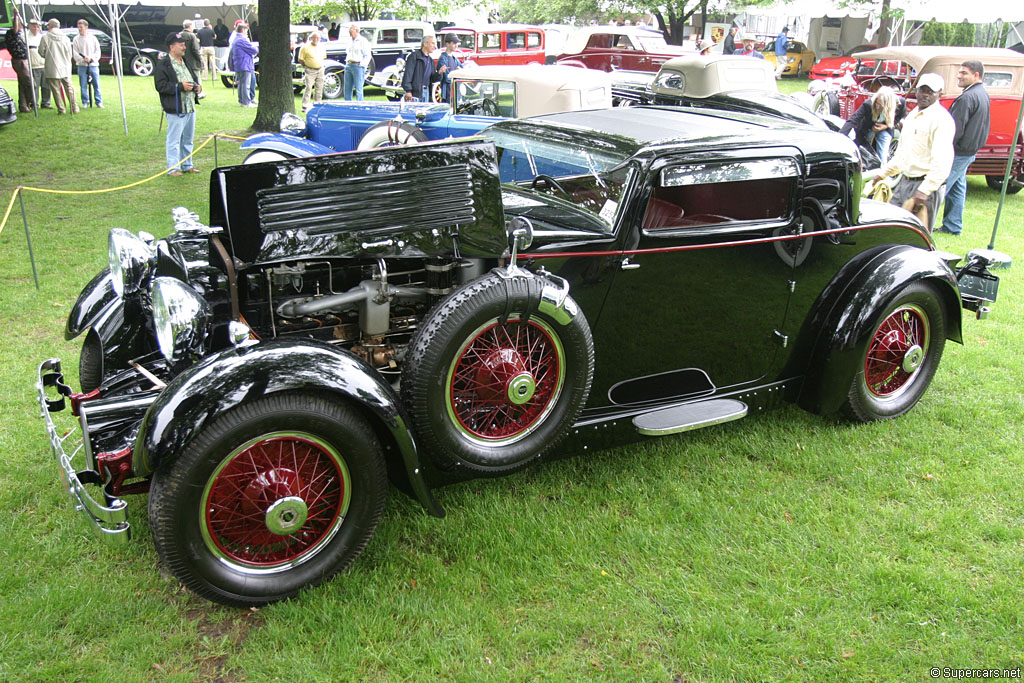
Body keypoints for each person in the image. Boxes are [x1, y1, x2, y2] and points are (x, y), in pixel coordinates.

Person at [871, 73, 954, 231]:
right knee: (891, 228)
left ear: (940, 94)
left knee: (917, 237)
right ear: (916, 91)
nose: (925, 95)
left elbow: (942, 161)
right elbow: (902, 153)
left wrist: (924, 191)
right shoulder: (913, 116)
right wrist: (883, 173)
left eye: (930, 91)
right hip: (904, 182)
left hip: (924, 188)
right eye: (922, 90)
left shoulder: (942, 120)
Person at [938, 60, 991, 236]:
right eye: (959, 72)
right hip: (969, 150)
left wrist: (943, 147)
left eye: (964, 73)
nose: (959, 76)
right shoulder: (982, 93)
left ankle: (923, 225)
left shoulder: (968, 97)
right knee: (957, 189)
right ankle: (952, 226)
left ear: (976, 75)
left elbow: (955, 128)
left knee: (939, 188)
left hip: (959, 151)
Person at [155, 31, 201, 176]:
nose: (184, 48)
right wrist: (180, 87)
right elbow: (160, 86)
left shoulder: (185, 61)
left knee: (188, 139)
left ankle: (187, 165)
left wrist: (197, 86)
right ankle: (173, 168)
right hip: (175, 108)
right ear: (171, 47)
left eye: (184, 45)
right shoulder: (164, 64)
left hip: (190, 107)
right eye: (181, 45)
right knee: (174, 140)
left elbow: (191, 77)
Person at [840, 86, 906, 164]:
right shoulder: (868, 104)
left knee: (882, 156)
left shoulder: (900, 103)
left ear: (888, 105)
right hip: (868, 129)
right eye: (877, 103)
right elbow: (853, 120)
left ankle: (882, 170)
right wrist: (840, 136)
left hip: (885, 129)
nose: (878, 107)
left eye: (881, 105)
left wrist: (886, 126)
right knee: (864, 153)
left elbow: (900, 116)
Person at [38, 19, 79, 115]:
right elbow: (70, 53)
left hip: (52, 66)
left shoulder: (45, 37)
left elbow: (40, 52)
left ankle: (61, 109)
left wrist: (48, 56)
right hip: (65, 66)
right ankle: (75, 107)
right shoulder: (66, 38)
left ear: (50, 26)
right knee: (69, 87)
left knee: (55, 89)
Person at [4, 11, 34, 113]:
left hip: (23, 60)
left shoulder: (19, 35)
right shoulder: (12, 33)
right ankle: (32, 101)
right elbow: (15, 29)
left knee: (22, 84)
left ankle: (23, 106)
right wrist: (16, 15)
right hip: (19, 61)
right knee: (29, 82)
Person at [71, 19, 102, 108]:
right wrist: (83, 59)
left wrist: (91, 58)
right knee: (83, 84)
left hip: (93, 65)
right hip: (82, 65)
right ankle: (85, 101)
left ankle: (98, 101)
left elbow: (97, 51)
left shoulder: (93, 38)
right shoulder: (76, 39)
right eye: (78, 27)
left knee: (96, 83)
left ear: (86, 27)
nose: (80, 29)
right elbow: (75, 53)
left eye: (81, 27)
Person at [402, 35, 439, 102]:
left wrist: (439, 73)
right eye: (433, 43)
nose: (435, 46)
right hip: (415, 93)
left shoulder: (430, 60)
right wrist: (408, 90)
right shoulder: (414, 57)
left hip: (426, 92)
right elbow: (408, 74)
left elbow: (433, 78)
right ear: (425, 44)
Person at [229, 22, 258, 107]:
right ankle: (246, 102)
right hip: (245, 64)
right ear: (243, 30)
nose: (247, 32)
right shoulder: (242, 40)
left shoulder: (236, 39)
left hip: (239, 64)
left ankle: (242, 100)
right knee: (246, 84)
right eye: (246, 30)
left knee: (241, 84)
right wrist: (256, 47)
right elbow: (253, 50)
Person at [27, 18, 52, 109]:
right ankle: (34, 103)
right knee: (35, 86)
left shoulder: (42, 37)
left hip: (44, 65)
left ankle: (46, 103)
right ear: (30, 26)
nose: (36, 28)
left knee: (46, 85)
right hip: (33, 66)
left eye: (37, 26)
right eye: (34, 26)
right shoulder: (25, 36)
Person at [299, 31, 326, 111]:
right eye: (315, 37)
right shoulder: (305, 47)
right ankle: (305, 105)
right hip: (310, 70)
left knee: (319, 87)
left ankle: (317, 103)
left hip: (320, 69)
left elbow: (323, 57)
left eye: (318, 38)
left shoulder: (321, 47)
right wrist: (306, 66)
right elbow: (301, 59)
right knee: (308, 87)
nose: (316, 39)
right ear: (311, 38)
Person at [343, 24, 371, 100]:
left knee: (358, 88)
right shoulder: (349, 41)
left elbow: (368, 55)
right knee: (347, 88)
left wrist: (362, 65)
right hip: (349, 65)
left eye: (351, 30)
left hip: (358, 66)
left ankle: (359, 105)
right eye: (349, 30)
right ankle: (347, 105)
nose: (349, 31)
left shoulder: (363, 41)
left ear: (357, 31)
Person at [180, 20, 203, 97]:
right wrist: (200, 60)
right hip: (192, 62)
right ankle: (197, 93)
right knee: (195, 78)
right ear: (190, 26)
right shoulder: (192, 36)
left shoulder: (179, 35)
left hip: (182, 61)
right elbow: (195, 49)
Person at [437, 33, 461, 103]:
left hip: (456, 89)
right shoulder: (443, 58)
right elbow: (446, 77)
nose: (456, 45)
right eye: (454, 43)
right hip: (448, 90)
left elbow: (461, 68)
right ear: (447, 44)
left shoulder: (454, 58)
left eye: (457, 43)